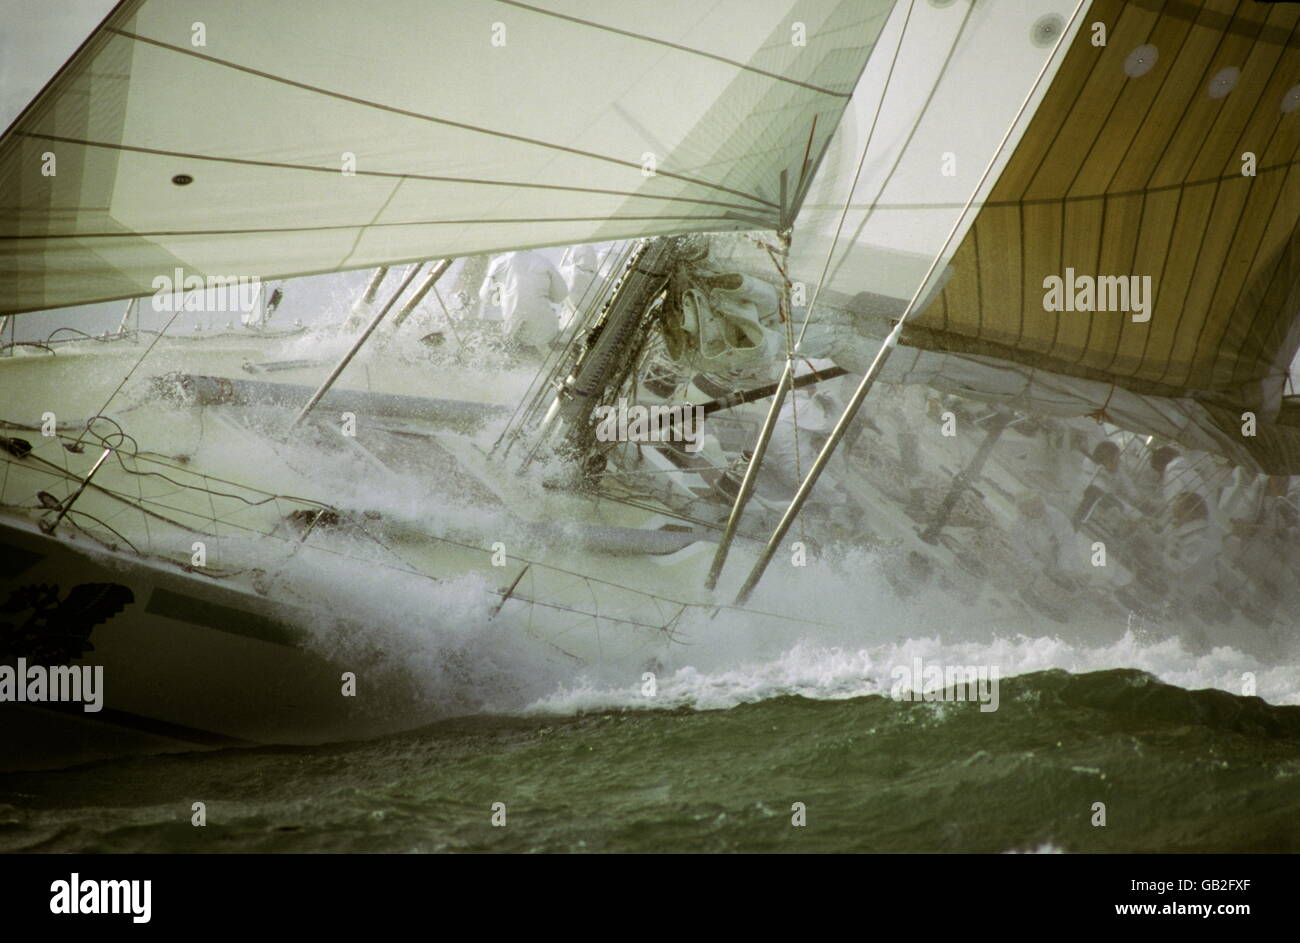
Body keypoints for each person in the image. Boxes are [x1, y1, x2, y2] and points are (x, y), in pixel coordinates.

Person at [478, 251, 568, 353]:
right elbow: (560, 296)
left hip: (515, 330)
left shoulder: (498, 263)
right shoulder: (544, 262)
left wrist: (499, 295)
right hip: (547, 328)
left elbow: (485, 297)